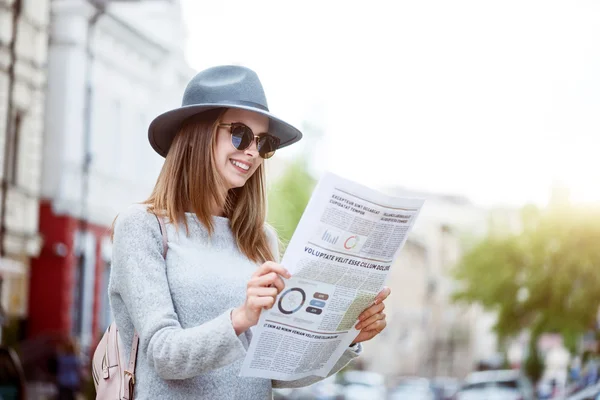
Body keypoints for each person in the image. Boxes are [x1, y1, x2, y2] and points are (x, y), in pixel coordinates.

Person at [109, 65, 391, 399]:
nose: (253, 152)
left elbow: (271, 372)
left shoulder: (260, 239)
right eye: (240, 134)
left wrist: (346, 337)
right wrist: (242, 317)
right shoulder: (143, 226)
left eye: (264, 142)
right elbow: (164, 354)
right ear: (198, 134)